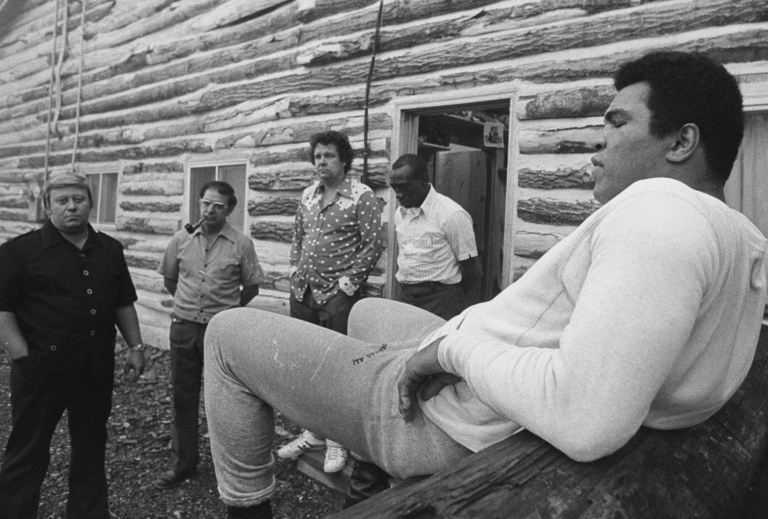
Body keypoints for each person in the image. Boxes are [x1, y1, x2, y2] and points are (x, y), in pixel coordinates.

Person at [202, 51, 768, 519]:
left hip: (453, 420)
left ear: (681, 142)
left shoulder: (658, 213)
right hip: (492, 380)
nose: (597, 146)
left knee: (227, 334)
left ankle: (251, 506)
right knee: (368, 311)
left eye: (618, 123)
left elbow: (586, 420)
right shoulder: (740, 237)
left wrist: (451, 348)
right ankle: (371, 478)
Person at [0, 171, 146, 519]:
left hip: (94, 370)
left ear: (90, 203)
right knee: (28, 451)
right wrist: (19, 353)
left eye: (78, 200)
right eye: (62, 201)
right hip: (41, 371)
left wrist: (135, 346)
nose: (71, 207)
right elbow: (2, 308)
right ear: (47, 206)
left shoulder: (109, 250)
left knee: (91, 447)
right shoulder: (19, 251)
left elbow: (123, 302)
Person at [276, 130, 384, 474]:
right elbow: (297, 238)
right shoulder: (308, 195)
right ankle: (315, 432)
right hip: (304, 293)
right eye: (318, 156)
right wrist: (295, 273)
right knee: (309, 363)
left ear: (344, 161)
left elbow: (373, 245)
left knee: (337, 366)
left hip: (338, 298)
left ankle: (338, 442)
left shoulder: (362, 196)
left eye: (329, 156)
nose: (322, 162)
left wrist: (347, 288)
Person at [153, 180, 264, 490]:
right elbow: (170, 281)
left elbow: (251, 286)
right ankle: (183, 463)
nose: (210, 211)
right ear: (198, 203)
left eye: (218, 206)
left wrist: (225, 314)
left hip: (220, 332)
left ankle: (228, 469)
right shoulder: (180, 239)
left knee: (224, 401)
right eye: (205, 204)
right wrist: (188, 308)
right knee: (182, 396)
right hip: (184, 328)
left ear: (229, 209)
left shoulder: (241, 244)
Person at [389, 154, 482, 320]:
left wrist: (452, 303)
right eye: (394, 188)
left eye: (404, 187)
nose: (398, 194)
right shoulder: (400, 214)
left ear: (424, 180)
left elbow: (473, 272)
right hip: (406, 297)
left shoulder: (452, 214)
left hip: (441, 300)